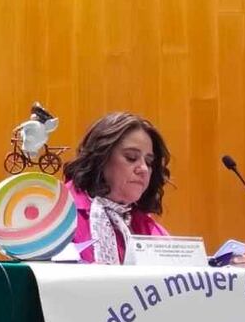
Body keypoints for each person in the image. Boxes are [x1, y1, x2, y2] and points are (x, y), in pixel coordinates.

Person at [63, 112, 173, 264]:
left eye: (148, 162)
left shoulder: (147, 227)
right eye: (131, 158)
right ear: (101, 158)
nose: (144, 169)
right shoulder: (58, 213)